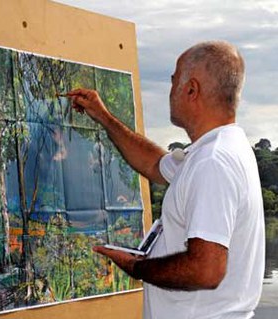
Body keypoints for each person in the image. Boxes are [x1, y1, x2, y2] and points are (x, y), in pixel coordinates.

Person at [67, 41, 265, 319]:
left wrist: (137, 267)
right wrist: (104, 117)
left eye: (173, 82)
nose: (170, 92)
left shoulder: (213, 162)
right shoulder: (216, 150)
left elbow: (205, 271)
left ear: (191, 89)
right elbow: (153, 163)